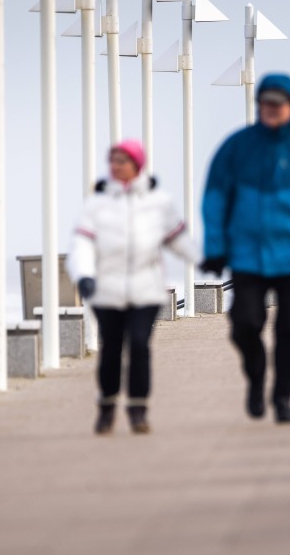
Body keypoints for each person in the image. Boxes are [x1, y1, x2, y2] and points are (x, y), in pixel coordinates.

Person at [201, 73, 290, 425]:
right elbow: (215, 197)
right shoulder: (237, 146)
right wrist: (216, 247)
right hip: (247, 255)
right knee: (244, 324)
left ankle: (282, 396)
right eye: (265, 102)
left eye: (277, 103)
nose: (271, 109)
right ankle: (255, 377)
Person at [68, 140, 196, 435]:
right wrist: (84, 274)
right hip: (107, 290)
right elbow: (82, 243)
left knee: (139, 345)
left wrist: (205, 260)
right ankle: (107, 407)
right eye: (112, 160)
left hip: (145, 290)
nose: (116, 165)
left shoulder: (158, 201)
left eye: (123, 160)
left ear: (137, 164)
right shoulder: (96, 203)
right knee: (111, 349)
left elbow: (178, 238)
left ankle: (138, 409)